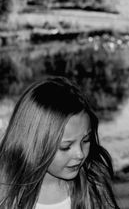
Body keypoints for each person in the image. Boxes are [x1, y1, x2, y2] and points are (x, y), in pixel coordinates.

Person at [0, 77, 119, 209]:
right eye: (65, 147)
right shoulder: (6, 194)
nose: (80, 154)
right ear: (33, 145)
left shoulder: (94, 186)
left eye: (86, 140)